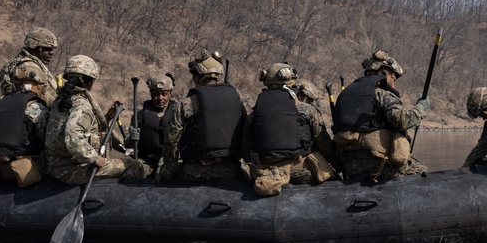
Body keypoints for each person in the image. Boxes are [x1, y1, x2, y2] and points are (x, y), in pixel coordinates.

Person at [44, 55, 149, 185]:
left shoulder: (60, 100)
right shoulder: (81, 105)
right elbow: (74, 139)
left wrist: (108, 117)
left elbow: (83, 127)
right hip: (72, 170)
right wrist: (95, 159)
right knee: (134, 166)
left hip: (57, 166)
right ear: (88, 82)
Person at [243, 64, 341, 196]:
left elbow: (246, 148)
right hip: (301, 173)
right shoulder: (306, 110)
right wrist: (339, 166)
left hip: (266, 176)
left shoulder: (254, 115)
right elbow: (324, 144)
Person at [331, 50, 429, 181]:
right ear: (384, 73)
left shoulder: (344, 95)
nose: (393, 84)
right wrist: (422, 106)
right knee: (420, 168)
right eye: (393, 78)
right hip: (379, 164)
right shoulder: (382, 94)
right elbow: (402, 121)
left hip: (349, 166)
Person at [159, 50, 246, 182]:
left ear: (198, 76)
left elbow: (171, 140)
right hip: (231, 172)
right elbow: (246, 134)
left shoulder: (188, 103)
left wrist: (169, 170)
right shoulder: (236, 101)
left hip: (195, 173)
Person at [0, 61, 49, 187]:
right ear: (38, 85)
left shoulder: (0, 104)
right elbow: (50, 141)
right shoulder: (35, 107)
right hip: (25, 172)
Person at [0, 27, 60, 108]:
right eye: (48, 49)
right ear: (35, 46)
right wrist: (62, 105)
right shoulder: (29, 67)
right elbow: (44, 95)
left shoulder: (22, 61)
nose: (51, 53)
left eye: (52, 49)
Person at [125, 72, 178, 173]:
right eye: (156, 94)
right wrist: (132, 137)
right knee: (131, 172)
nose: (160, 98)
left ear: (170, 93)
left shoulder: (178, 115)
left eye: (164, 94)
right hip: (146, 161)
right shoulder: (139, 116)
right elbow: (127, 143)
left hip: (170, 160)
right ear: (151, 94)